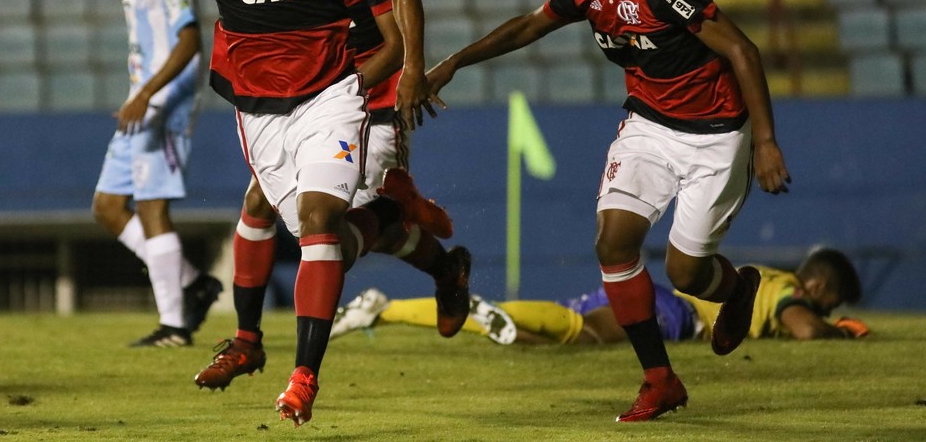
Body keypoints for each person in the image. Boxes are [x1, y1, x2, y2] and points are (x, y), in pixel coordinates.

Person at [66, 0, 458, 427]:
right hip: (261, 110)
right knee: (300, 230)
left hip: (332, 94)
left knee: (320, 220)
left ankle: (303, 376)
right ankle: (385, 224)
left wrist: (407, 66)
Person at [425, 0, 792, 422]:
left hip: (715, 134)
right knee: (613, 242)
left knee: (687, 273)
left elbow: (741, 49)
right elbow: (531, 24)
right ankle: (659, 380)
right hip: (648, 124)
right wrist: (455, 61)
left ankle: (735, 289)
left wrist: (764, 142)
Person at [193, 0, 470, 394]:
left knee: (334, 242)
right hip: (313, 102)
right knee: (272, 207)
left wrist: (340, 91)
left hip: (370, 99)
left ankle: (423, 242)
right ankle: (247, 339)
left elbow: (393, 46)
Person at [43, 0, 223, 347]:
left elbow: (190, 43)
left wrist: (146, 94)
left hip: (163, 101)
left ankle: (174, 325)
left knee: (151, 206)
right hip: (141, 101)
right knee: (106, 207)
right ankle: (193, 282)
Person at [331, 247, 870, 345]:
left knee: (557, 328)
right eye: (830, 303)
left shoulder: (771, 275)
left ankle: (388, 308)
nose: (823, 311)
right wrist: (839, 333)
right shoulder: (785, 292)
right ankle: (494, 321)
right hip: (672, 314)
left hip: (664, 302)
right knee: (584, 335)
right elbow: (801, 326)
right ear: (817, 286)